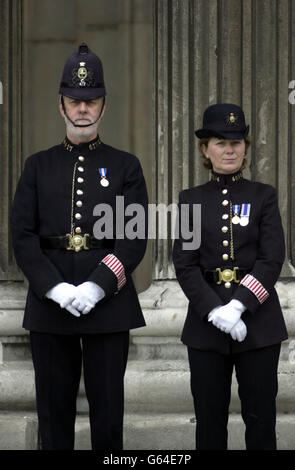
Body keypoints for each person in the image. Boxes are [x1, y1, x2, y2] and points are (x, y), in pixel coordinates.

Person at [10, 43, 148, 451]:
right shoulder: (37, 165)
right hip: (49, 306)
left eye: (91, 101)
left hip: (109, 305)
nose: (83, 108)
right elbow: (21, 234)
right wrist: (54, 287)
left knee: (109, 419)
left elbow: (134, 237)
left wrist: (97, 286)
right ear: (61, 106)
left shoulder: (127, 166)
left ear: (104, 106)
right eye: (75, 100)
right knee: (53, 420)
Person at [172, 103, 288, 450]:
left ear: (245, 147)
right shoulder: (191, 200)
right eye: (220, 142)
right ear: (205, 149)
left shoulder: (262, 196)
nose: (229, 149)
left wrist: (239, 305)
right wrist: (214, 310)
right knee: (209, 423)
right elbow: (185, 263)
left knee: (261, 421)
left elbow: (271, 259)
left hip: (258, 324)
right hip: (205, 327)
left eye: (236, 142)